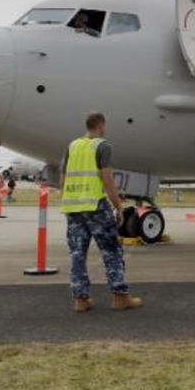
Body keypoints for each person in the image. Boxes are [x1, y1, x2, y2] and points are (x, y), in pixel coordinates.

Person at [59, 111, 142, 313]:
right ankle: (120, 297)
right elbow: (107, 180)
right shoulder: (102, 146)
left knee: (78, 254)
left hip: (73, 208)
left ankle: (81, 300)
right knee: (111, 251)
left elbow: (62, 179)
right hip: (95, 207)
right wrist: (118, 206)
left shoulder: (72, 146)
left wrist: (70, 199)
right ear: (101, 126)